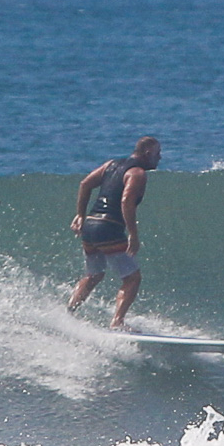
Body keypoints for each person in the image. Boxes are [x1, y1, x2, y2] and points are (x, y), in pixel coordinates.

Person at [67, 136, 161, 329]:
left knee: (93, 275)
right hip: (108, 228)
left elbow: (85, 183)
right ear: (148, 153)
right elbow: (126, 202)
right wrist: (133, 235)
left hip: (91, 226)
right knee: (132, 278)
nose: (160, 158)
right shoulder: (137, 173)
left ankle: (69, 312)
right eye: (158, 154)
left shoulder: (111, 164)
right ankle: (117, 322)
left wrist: (80, 215)